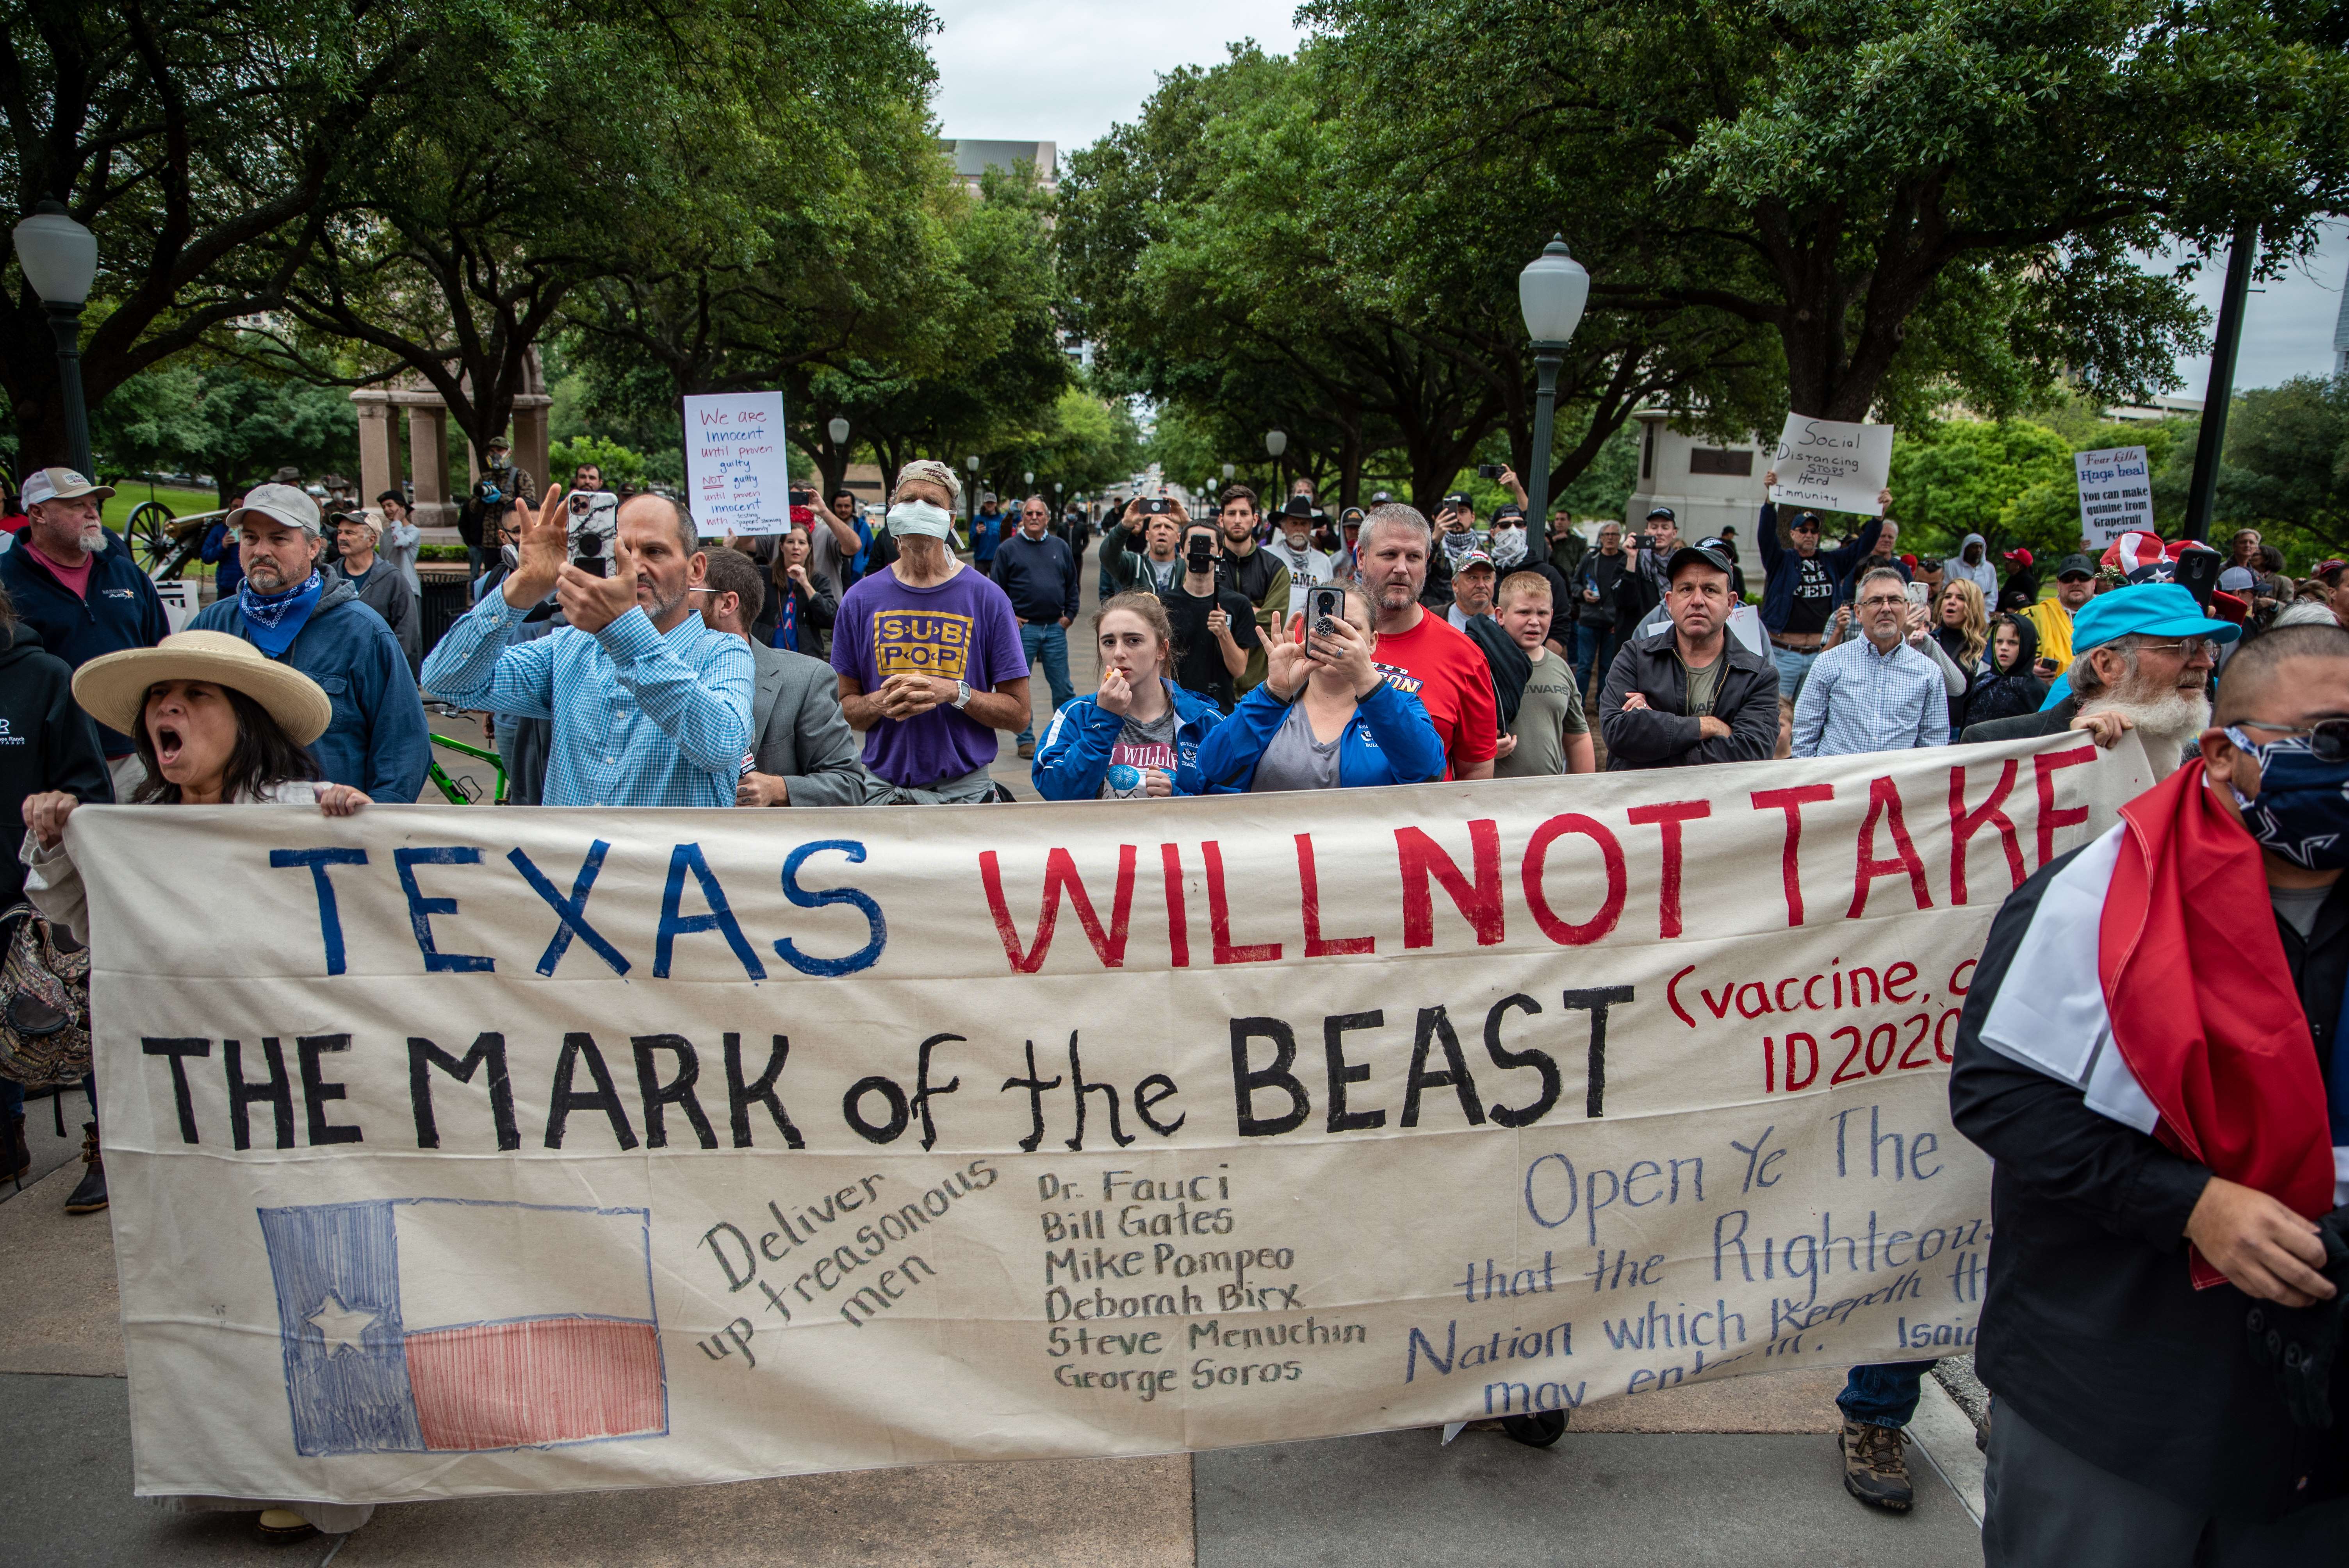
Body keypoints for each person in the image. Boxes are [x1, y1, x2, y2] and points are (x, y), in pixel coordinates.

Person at [1950, 621, 2349, 1563]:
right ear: (2224, 753)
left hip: (2321, 1427)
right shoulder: (2092, 900)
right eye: (2331, 739)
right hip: (2116, 1392)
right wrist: (2194, 1206)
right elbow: (2000, 1095)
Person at [20, 629, 372, 1542]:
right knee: (211, 1277)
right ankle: (230, 1463)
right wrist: (59, 837)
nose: (168, 711)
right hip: (189, 1100)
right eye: (159, 698)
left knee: (312, 1275)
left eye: (195, 695)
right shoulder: (132, 827)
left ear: (244, 719)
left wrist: (361, 826)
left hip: (298, 1093)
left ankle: (320, 1471)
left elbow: (376, 912)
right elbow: (73, 912)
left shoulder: (303, 809)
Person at [422, 487, 752, 807]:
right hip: (572, 863)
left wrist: (621, 629)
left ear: (695, 569)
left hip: (669, 864)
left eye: (654, 552)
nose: (633, 567)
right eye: (619, 551)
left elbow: (720, 747)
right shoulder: (568, 648)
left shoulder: (723, 652)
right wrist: (525, 585)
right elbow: (447, 680)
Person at [187, 485, 429, 803]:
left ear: (314, 547)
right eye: (250, 538)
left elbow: (403, 744)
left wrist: (378, 820)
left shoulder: (363, 632)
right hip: (230, 832)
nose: (261, 550)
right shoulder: (212, 626)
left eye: (278, 538)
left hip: (330, 836)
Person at [0, 581, 112, 1197]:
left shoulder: (43, 676)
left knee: (79, 1019)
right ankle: (8, 1134)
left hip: (38, 898)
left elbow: (89, 789)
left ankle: (107, 1144)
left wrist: (59, 812)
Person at [831, 461, 1029, 803]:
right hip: (885, 796)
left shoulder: (987, 598)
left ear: (951, 520)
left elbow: (1019, 714)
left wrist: (955, 692)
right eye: (907, 501)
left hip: (965, 799)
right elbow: (844, 708)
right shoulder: (860, 599)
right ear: (893, 513)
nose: (918, 509)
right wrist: (882, 702)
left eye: (932, 503)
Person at [0, 468, 171, 798]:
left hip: (134, 752)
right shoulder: (6, 580)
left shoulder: (126, 572)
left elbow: (160, 651)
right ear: (38, 513)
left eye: (94, 504)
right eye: (76, 505)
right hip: (51, 762)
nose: (92, 513)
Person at [1180, 584, 1445, 793]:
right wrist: (1275, 692)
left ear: (1373, 642)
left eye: (1349, 629)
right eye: (1324, 627)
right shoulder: (1274, 701)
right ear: (1303, 635)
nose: (1334, 638)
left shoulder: (1402, 704)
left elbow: (1429, 772)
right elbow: (1212, 767)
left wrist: (1367, 681)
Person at [1961, 584, 2235, 779]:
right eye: (2184, 647)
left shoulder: (2205, 766)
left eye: (2206, 646)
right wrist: (2068, 756)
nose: (2206, 662)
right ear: (2107, 665)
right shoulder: (1997, 745)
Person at [692, 545, 869, 807]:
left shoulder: (806, 679)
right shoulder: (653, 675)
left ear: (727, 604)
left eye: (685, 593)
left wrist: (777, 788)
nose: (673, 603)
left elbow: (849, 785)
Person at [1598, 542, 1777, 770]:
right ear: (1670, 602)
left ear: (1730, 603)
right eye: (1686, 589)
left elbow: (1752, 753)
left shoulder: (1758, 675)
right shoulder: (1635, 657)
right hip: (1640, 801)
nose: (1697, 601)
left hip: (1718, 803)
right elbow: (1618, 733)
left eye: (1710, 590)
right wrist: (1708, 727)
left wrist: (1655, 734)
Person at [1034, 592, 1224, 800]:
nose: (1119, 653)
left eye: (1133, 640)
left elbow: (1233, 803)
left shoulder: (1203, 720)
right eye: (1108, 642)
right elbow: (1056, 791)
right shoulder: (1075, 714)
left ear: (1162, 649)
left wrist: (1177, 798)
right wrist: (1104, 719)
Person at [1355, 504, 1499, 779]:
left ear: (1427, 562)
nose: (1401, 569)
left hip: (1422, 821)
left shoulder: (1466, 656)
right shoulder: (1315, 635)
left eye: (1414, 557)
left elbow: (1476, 770)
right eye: (1389, 555)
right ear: (1362, 557)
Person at [1754, 474, 1889, 725]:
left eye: (1814, 531)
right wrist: (1770, 501)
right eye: (1803, 530)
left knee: (1811, 718)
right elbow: (1765, 537)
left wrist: (1878, 518)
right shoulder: (1780, 561)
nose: (1809, 534)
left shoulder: (1832, 562)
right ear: (1793, 534)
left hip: (1821, 654)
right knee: (1775, 720)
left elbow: (1863, 548)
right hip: (1784, 654)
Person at [1792, 567, 1950, 758]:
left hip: (1897, 784)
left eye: (1894, 600)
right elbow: (1804, 737)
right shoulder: (1829, 663)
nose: (1886, 608)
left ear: (1907, 608)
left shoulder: (1929, 672)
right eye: (1875, 601)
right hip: (1838, 782)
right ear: (1858, 612)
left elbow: (1934, 746)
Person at [991, 496, 1080, 759]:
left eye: (1039, 514)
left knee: (1063, 687)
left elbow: (1071, 583)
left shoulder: (1060, 547)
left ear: (1047, 518)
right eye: (1029, 513)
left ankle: (1066, 736)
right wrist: (1010, 618)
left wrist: (1070, 615)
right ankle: (1026, 739)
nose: (1034, 517)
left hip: (1055, 627)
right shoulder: (1008, 549)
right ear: (1022, 517)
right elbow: (996, 590)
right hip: (1023, 630)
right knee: (1020, 687)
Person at [1490, 571, 1593, 777]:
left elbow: (1578, 738)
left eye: (1542, 613)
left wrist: (1584, 793)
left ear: (1552, 615)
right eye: (1524, 612)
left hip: (1550, 799)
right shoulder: (1481, 664)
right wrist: (1485, 750)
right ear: (1500, 616)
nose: (1535, 621)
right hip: (1494, 800)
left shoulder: (1561, 668)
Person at [1160, 513, 1260, 713]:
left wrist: (1224, 633)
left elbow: (1239, 669)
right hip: (1172, 709)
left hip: (1218, 710)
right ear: (1181, 551)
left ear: (1220, 553)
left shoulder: (1238, 604)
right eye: (1194, 544)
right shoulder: (1163, 604)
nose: (1201, 551)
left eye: (1208, 545)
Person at [1214, 485, 1291, 691]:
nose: (1237, 520)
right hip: (1216, 686)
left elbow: (1271, 625)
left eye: (1244, 513)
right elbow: (1202, 617)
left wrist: (1229, 619)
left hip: (1259, 686)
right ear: (1221, 520)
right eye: (1231, 513)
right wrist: (1253, 610)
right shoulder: (1210, 567)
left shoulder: (1275, 569)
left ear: (1255, 520)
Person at [328, 509, 419, 672]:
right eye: (340, 532)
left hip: (377, 673)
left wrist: (383, 667)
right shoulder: (330, 576)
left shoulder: (393, 579)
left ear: (371, 540)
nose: (341, 538)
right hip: (336, 671)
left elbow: (407, 632)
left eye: (350, 533)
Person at [751, 526, 838, 656]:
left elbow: (831, 618)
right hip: (767, 655)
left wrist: (806, 585)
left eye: (802, 543)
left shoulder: (819, 581)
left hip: (805, 659)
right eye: (791, 542)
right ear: (781, 547)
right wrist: (728, 548)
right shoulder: (764, 575)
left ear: (809, 548)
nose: (796, 547)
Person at [455, 434, 532, 578]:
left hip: (513, 539)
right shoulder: (485, 477)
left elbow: (530, 506)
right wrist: (481, 498)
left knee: (515, 577)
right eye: (492, 451)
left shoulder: (521, 476)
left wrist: (502, 497)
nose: (495, 454)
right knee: (492, 579)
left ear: (508, 452)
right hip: (489, 542)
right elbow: (472, 509)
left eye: (500, 450)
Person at [1569, 522, 1631, 700]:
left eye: (1614, 534)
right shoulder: (1590, 559)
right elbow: (1574, 584)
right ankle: (1577, 704)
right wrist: (1583, 593)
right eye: (1607, 534)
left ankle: (1602, 704)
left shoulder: (1625, 561)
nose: (1610, 538)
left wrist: (1620, 621)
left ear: (1620, 538)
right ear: (1601, 537)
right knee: (1584, 666)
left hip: (1612, 623)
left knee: (1608, 667)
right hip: (1589, 620)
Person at [2021, 553, 2097, 676]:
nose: (2076, 583)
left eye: (2083, 577)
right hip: (2048, 692)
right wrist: (2027, 669)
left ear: (2094, 583)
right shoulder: (2032, 616)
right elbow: (2007, 657)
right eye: (2068, 578)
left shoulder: (2110, 614)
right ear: (2059, 584)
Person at [1968, 614, 2050, 727]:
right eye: (1999, 641)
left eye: (2013, 643)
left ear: (2027, 647)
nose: (2004, 648)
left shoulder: (2036, 690)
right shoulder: (1982, 682)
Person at [1933, 578, 1990, 731]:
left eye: (1961, 598)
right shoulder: (1929, 640)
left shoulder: (1983, 650)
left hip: (1961, 731)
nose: (1951, 602)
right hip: (1926, 726)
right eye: (1948, 597)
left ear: (1973, 607)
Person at [1108, 508, 1185, 598]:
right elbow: (1108, 555)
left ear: (1178, 538)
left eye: (1169, 528)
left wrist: (1188, 522)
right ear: (1147, 535)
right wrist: (1125, 525)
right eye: (1157, 527)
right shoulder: (1134, 564)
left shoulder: (1187, 567)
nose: (1162, 532)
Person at [1265, 494, 1334, 584]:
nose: (1299, 529)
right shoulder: (1268, 555)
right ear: (1283, 527)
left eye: (1304, 524)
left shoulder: (1323, 561)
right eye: (1294, 523)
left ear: (1311, 528)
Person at [375, 490, 422, 600]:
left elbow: (400, 543)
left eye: (390, 505)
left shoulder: (413, 531)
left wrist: (397, 522)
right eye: (384, 507)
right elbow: (382, 561)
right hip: (389, 588)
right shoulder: (386, 534)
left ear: (402, 507)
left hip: (408, 588)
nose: (386, 509)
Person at [200, 496, 246, 601]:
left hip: (251, 586)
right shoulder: (219, 530)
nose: (238, 509)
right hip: (227, 586)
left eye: (242, 506)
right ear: (230, 508)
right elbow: (206, 557)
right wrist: (222, 546)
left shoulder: (255, 530)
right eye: (235, 506)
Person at [1447, 550, 1497, 630]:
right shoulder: (1436, 616)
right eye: (1473, 578)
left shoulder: (1509, 622)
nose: (1481, 585)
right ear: (1455, 585)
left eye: (1487, 578)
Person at [1948, 533, 1999, 600]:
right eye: (1975, 547)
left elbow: (1993, 594)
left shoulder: (1989, 568)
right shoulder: (1952, 565)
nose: (1978, 551)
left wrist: (1987, 610)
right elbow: (1946, 588)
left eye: (1981, 547)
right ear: (1966, 548)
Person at [1997, 546, 2041, 614]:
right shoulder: (2014, 578)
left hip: (2014, 621)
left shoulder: (2027, 581)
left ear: (2019, 565)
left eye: (2010, 561)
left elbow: (2029, 608)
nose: (2006, 563)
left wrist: (2004, 615)